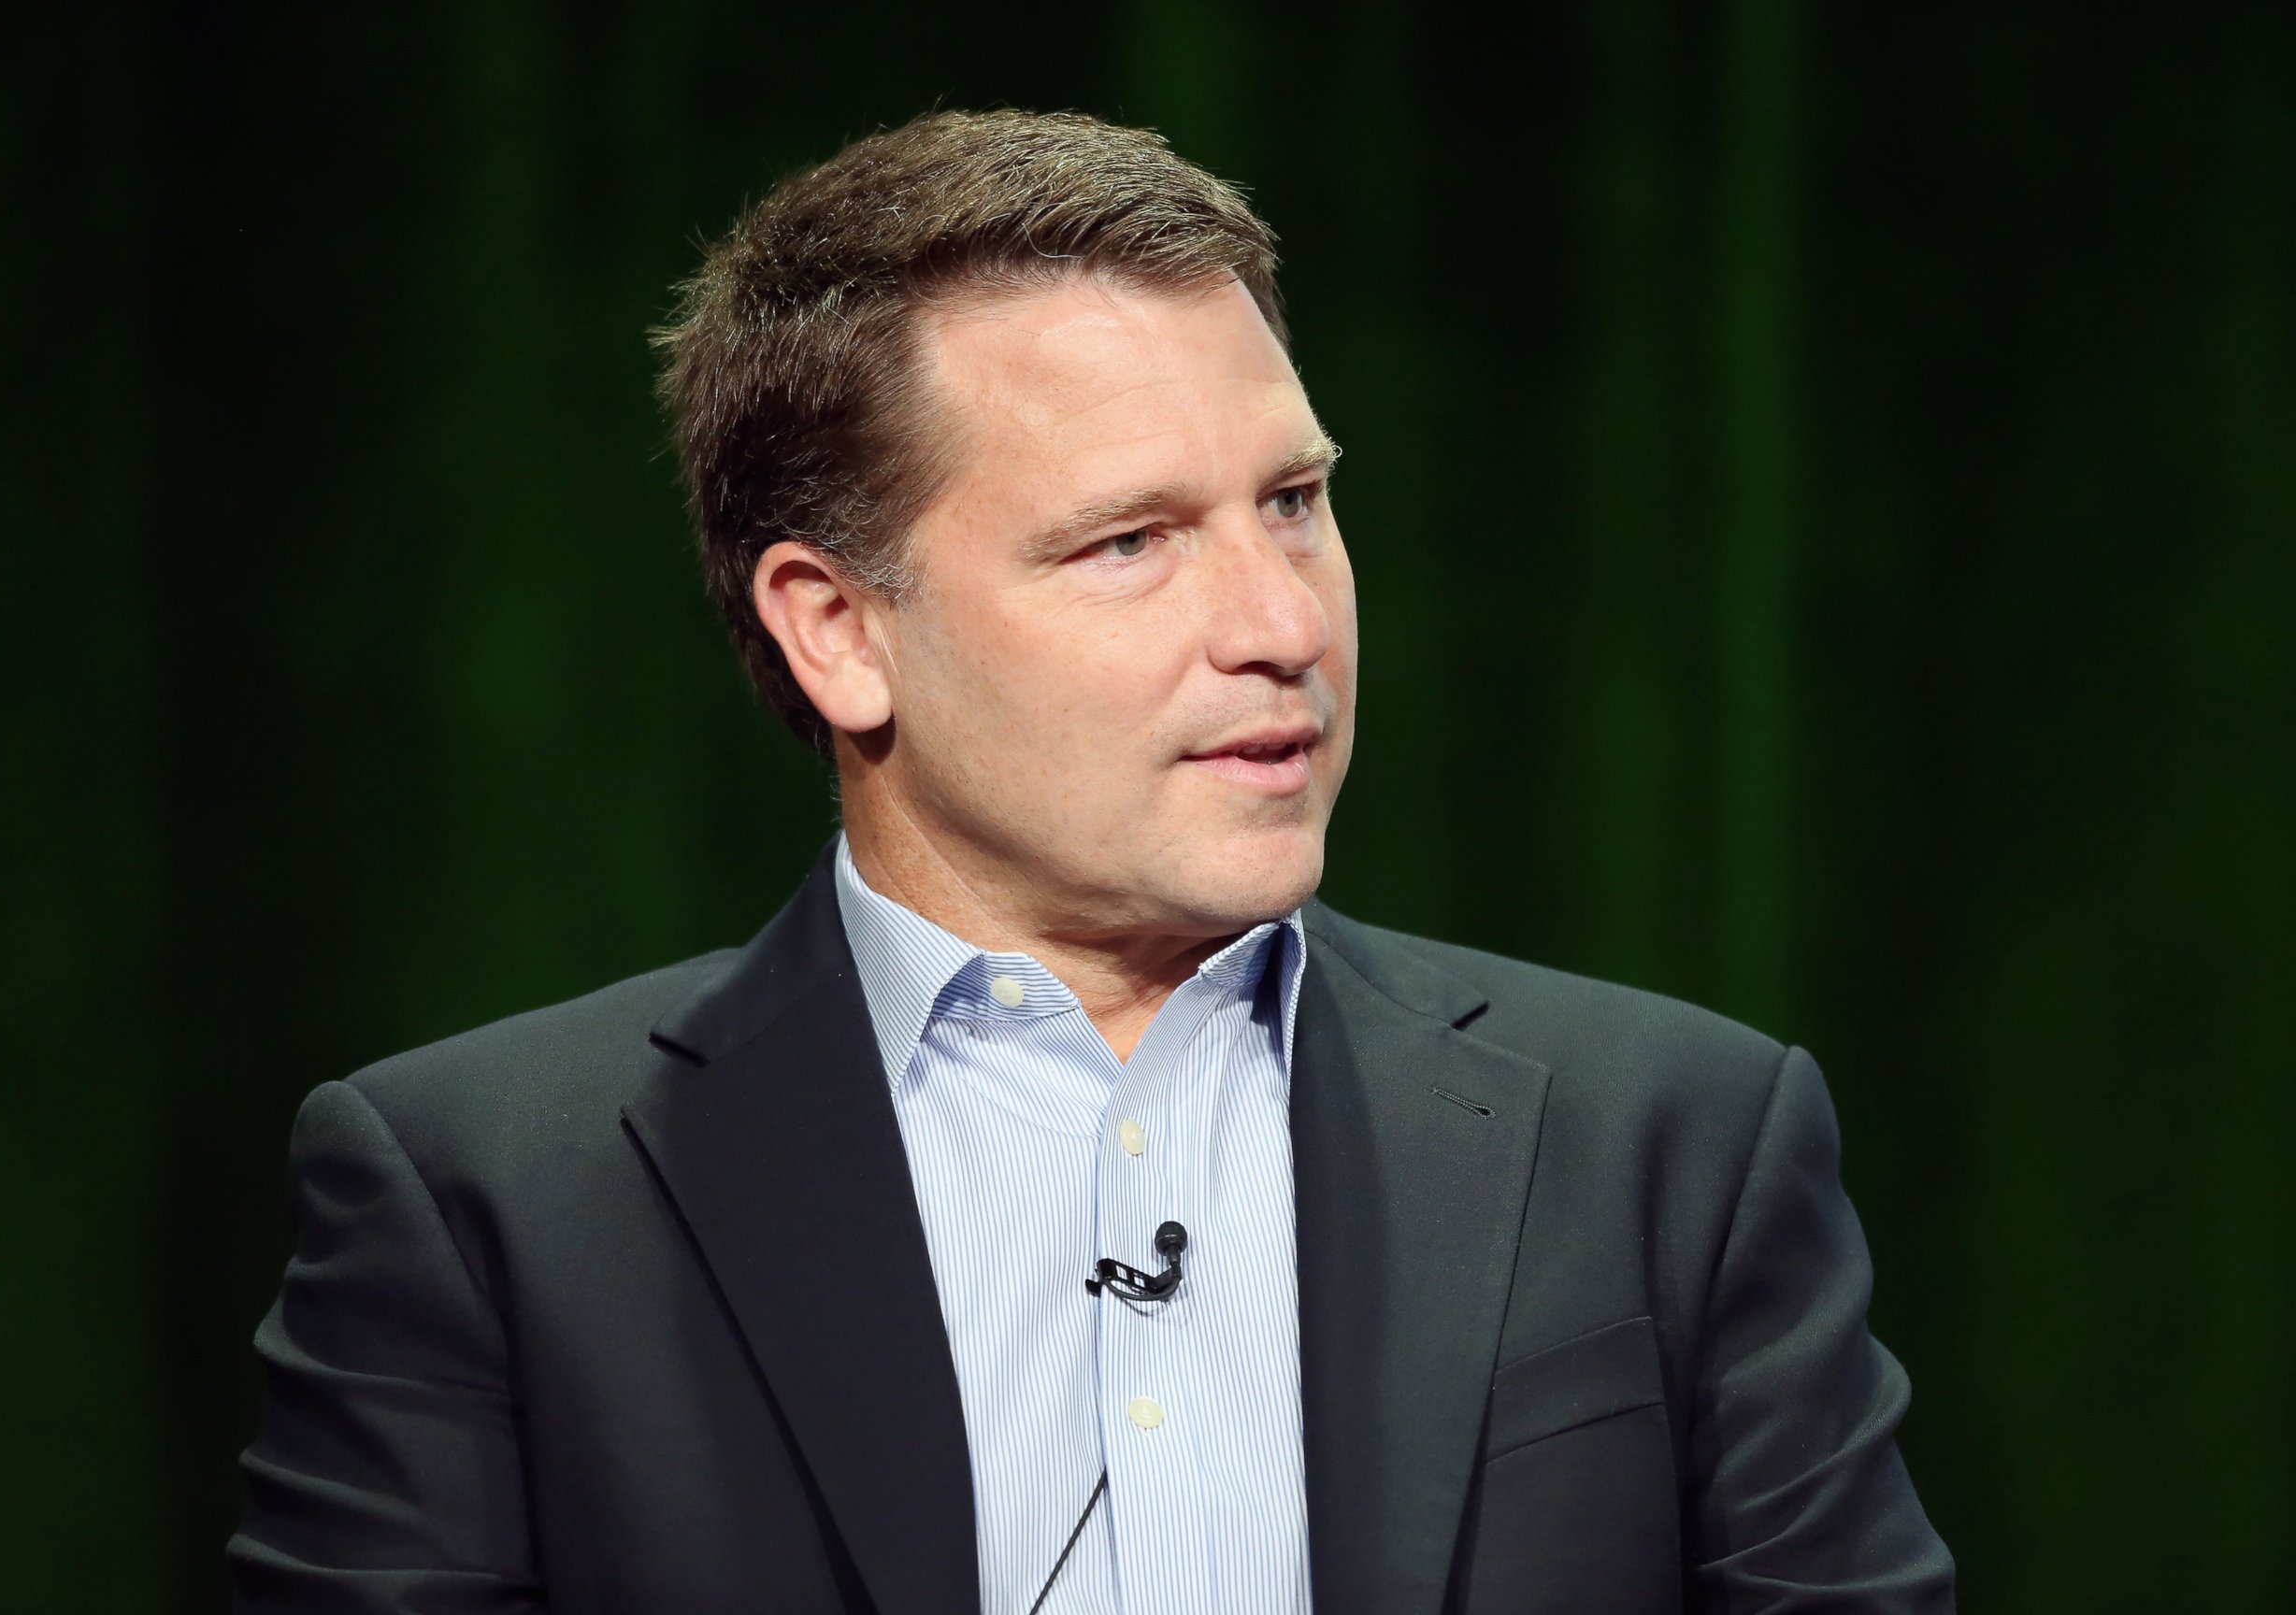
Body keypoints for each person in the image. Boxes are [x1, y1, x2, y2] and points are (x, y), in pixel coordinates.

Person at [228, 109, 1955, 1614]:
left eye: (1294, 502)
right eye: (1129, 543)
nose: (1282, 624)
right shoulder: (489, 1207)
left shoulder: (1675, 1150)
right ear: (837, 633)